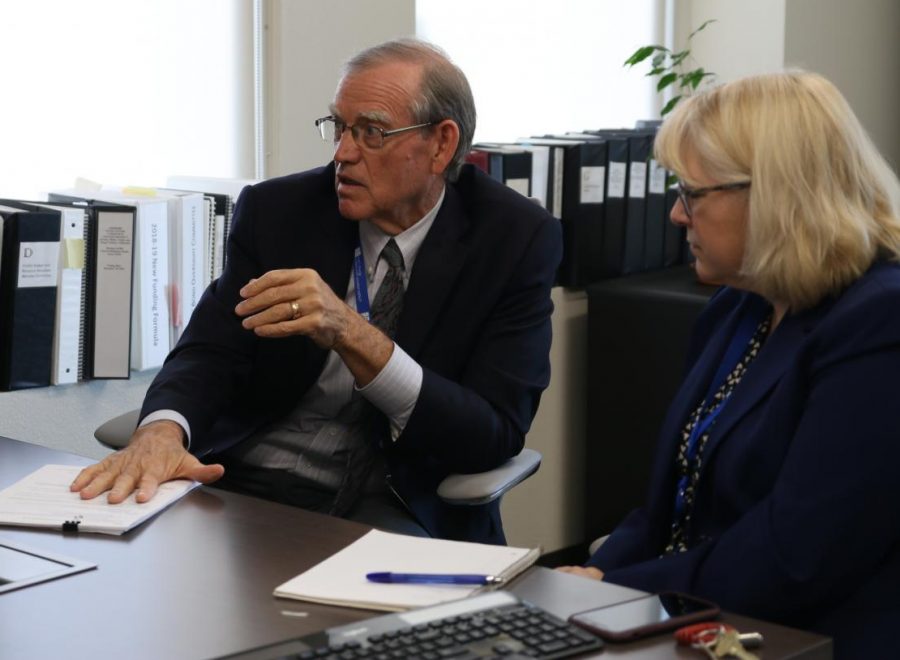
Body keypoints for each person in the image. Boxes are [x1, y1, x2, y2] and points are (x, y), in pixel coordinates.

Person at [72, 38, 561, 545]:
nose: (343, 154)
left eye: (372, 132)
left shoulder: (514, 238)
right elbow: (212, 351)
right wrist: (161, 432)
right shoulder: (279, 211)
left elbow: (494, 432)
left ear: (441, 144)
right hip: (253, 480)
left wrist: (352, 333)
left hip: (399, 495)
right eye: (339, 127)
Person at [559, 71, 900, 656]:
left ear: (776, 193)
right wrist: (583, 579)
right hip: (705, 614)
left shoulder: (880, 319)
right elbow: (670, 505)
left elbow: (798, 553)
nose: (676, 214)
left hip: (813, 638)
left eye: (692, 192)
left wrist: (615, 588)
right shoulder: (739, 306)